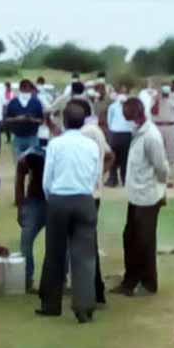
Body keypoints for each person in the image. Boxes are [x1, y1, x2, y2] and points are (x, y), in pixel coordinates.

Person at [37, 101, 100, 324]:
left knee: (54, 253)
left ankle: (50, 304)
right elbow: (95, 175)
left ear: (64, 121)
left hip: (58, 199)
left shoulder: (56, 144)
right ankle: (84, 307)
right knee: (84, 256)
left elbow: (47, 178)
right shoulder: (92, 145)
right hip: (84, 199)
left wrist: (52, 198)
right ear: (84, 122)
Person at [111, 98, 169, 297]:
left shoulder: (151, 136)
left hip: (148, 196)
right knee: (131, 238)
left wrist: (160, 189)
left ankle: (147, 283)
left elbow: (161, 167)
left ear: (137, 115)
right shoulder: (137, 132)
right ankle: (131, 280)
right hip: (136, 195)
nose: (126, 120)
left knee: (143, 241)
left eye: (128, 116)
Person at [77, 99, 115, 305]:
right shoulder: (95, 131)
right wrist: (100, 175)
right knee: (88, 243)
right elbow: (110, 155)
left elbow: (109, 156)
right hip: (93, 194)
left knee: (86, 244)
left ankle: (94, 291)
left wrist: (96, 177)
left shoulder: (87, 133)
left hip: (86, 195)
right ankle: (93, 289)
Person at [15, 145, 47, 293]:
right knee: (26, 241)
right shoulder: (25, 161)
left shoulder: (54, 157)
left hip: (54, 200)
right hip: (35, 201)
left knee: (59, 242)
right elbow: (19, 180)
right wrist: (21, 207)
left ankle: (60, 279)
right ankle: (26, 279)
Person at [151, 85, 174, 187]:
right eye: (163, 92)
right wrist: (157, 101)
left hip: (171, 126)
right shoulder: (156, 99)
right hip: (159, 125)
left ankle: (169, 179)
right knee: (158, 151)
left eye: (166, 92)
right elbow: (153, 111)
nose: (165, 94)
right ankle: (158, 177)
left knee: (171, 152)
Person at [4, 79, 44, 159]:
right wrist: (17, 119)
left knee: (34, 164)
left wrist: (32, 120)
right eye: (25, 89)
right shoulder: (13, 102)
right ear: (21, 89)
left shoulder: (36, 102)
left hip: (32, 137)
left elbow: (41, 120)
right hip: (18, 137)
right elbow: (7, 119)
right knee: (19, 165)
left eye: (29, 89)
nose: (27, 91)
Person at [106, 92, 133, 187]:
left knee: (114, 157)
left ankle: (113, 180)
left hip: (115, 134)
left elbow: (109, 121)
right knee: (124, 158)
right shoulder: (129, 107)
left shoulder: (112, 107)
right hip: (126, 134)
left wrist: (112, 129)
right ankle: (124, 180)